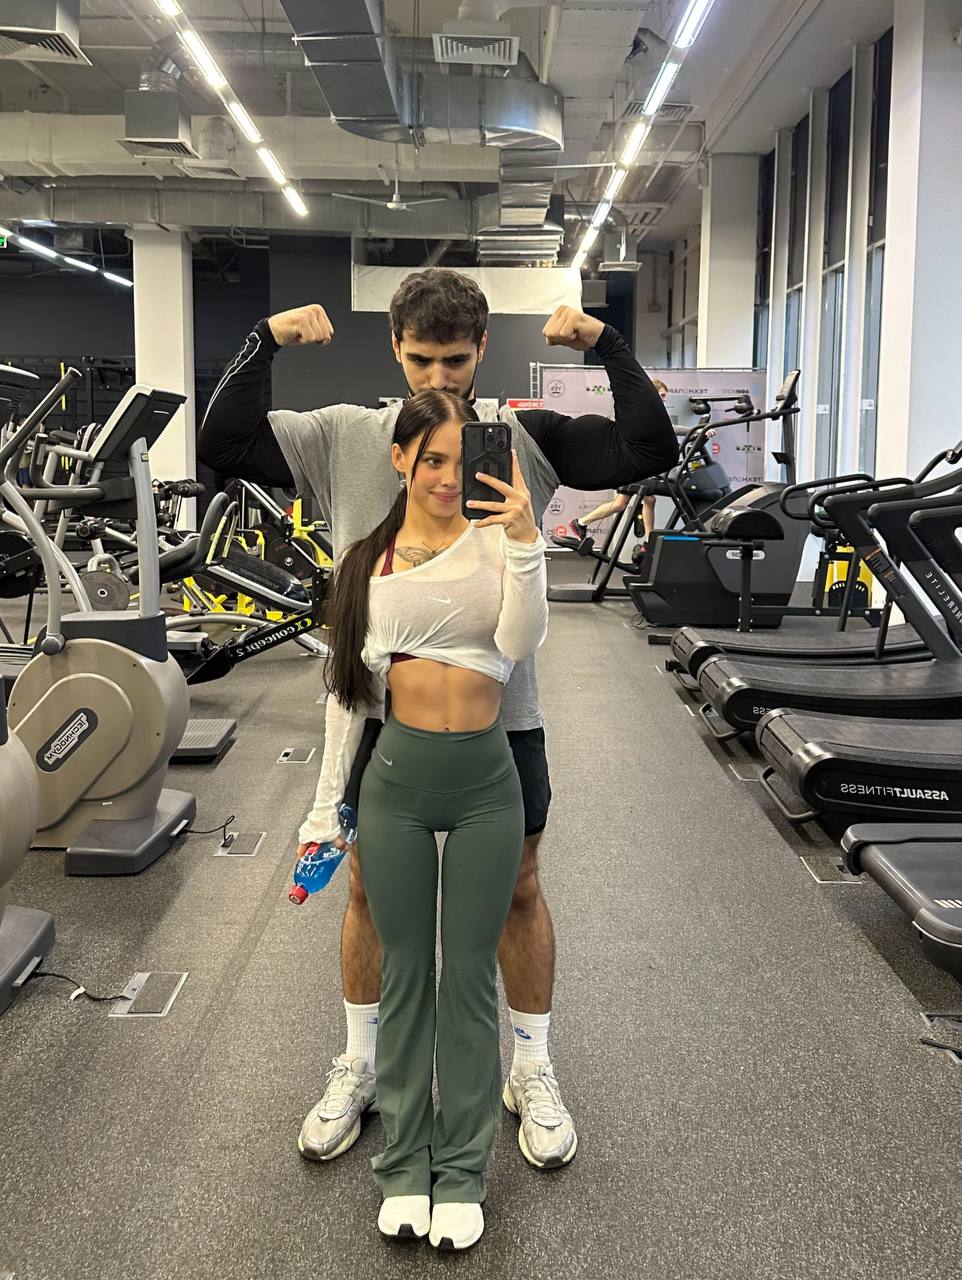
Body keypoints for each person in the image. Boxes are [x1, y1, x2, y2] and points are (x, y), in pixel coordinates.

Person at [197, 268, 677, 1176]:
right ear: (396, 350)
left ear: (481, 350)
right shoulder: (346, 435)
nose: (438, 379)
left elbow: (645, 449)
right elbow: (223, 441)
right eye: (422, 360)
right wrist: (264, 340)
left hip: (505, 718)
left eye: (455, 361)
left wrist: (606, 345)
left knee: (520, 890)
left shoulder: (521, 440)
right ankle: (362, 1066)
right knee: (369, 891)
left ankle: (530, 1069)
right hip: (377, 720)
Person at [300, 389, 548, 1247]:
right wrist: (323, 813)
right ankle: (405, 1165)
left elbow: (519, 642)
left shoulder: (499, 545)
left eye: (458, 459)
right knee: (407, 974)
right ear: (400, 458)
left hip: (486, 785)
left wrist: (525, 542)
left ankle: (463, 1171)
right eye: (430, 458)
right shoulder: (366, 563)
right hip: (396, 785)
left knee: (469, 978)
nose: (446, 476)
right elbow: (347, 700)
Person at [569, 377, 669, 543]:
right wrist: (695, 431)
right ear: (653, 394)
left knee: (626, 503)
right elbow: (669, 430)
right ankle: (649, 540)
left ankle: (581, 522)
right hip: (631, 463)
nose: (664, 400)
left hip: (634, 462)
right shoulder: (645, 412)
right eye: (662, 395)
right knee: (647, 498)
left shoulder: (651, 411)